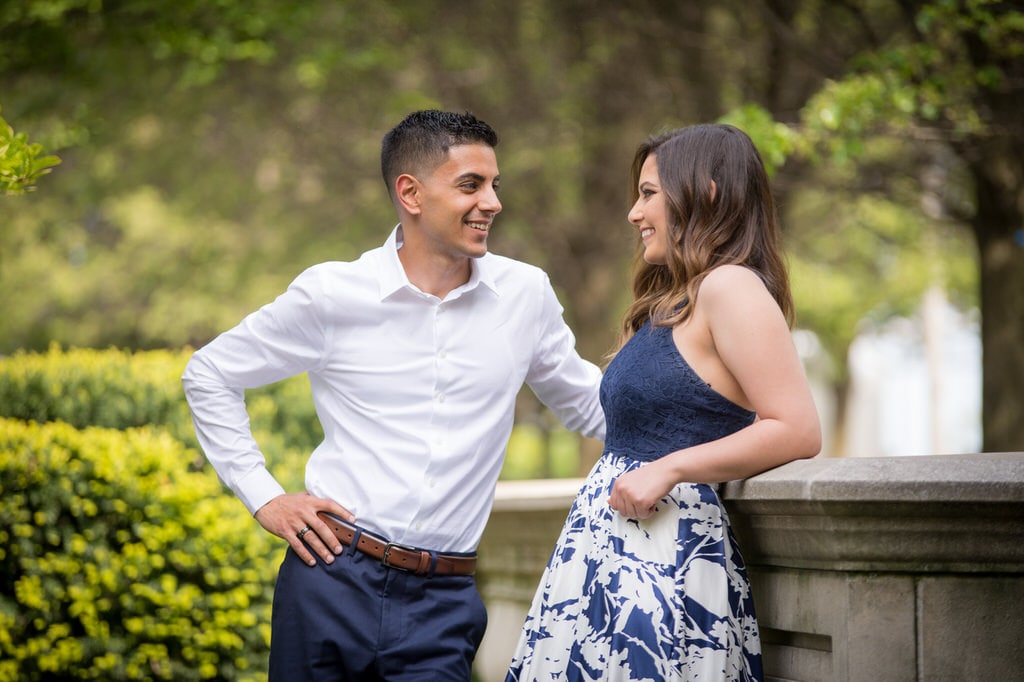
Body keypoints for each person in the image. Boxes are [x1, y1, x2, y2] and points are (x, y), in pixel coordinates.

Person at [182, 109, 605, 681]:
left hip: (445, 602)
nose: (493, 202)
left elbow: (588, 403)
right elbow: (209, 373)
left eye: (494, 185)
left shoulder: (524, 295)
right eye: (470, 185)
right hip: (331, 578)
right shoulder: (333, 294)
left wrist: (712, 428)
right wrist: (265, 497)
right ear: (411, 193)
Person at [506, 123, 821, 682]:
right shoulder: (672, 300)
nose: (633, 211)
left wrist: (671, 467)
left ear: (707, 193)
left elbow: (796, 427)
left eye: (649, 193)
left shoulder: (731, 287)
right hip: (610, 557)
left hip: (664, 563)